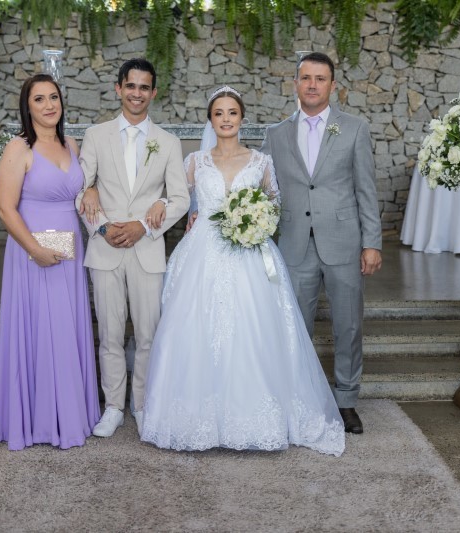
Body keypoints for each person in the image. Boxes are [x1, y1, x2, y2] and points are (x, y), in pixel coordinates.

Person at [140, 86, 346, 455]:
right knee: (196, 328)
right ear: (210, 119)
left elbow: (275, 204)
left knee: (253, 328)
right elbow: (178, 197)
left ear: (242, 118)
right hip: (203, 253)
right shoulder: (195, 162)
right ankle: (196, 418)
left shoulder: (260, 162)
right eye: (218, 113)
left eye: (232, 113)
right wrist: (164, 204)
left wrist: (257, 220)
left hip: (250, 253)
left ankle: (254, 418)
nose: (226, 119)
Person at [261, 52, 381, 434]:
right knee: (295, 327)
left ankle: (346, 400)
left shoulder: (355, 128)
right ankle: (299, 399)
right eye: (306, 78)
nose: (312, 85)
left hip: (344, 242)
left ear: (333, 85)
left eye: (320, 78)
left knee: (348, 326)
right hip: (294, 243)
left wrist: (372, 242)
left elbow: (366, 189)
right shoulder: (276, 134)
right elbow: (263, 190)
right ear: (295, 83)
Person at [77, 58, 190, 438]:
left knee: (148, 334)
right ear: (118, 88)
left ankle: (141, 404)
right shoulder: (96, 135)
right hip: (105, 249)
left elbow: (180, 198)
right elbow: (79, 190)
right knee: (109, 333)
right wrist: (102, 226)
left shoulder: (168, 142)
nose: (137, 93)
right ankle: (113, 406)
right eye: (131, 86)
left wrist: (143, 226)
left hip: (147, 250)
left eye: (144, 87)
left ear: (153, 93)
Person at [0, 73, 100, 450]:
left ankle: (69, 416)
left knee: (67, 329)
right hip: (32, 252)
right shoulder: (18, 148)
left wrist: (93, 188)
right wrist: (34, 249)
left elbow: (82, 188)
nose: (49, 105)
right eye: (39, 99)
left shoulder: (71, 144)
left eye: (54, 97)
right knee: (39, 331)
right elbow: (5, 209)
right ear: (28, 106)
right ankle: (38, 422)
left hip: (69, 251)